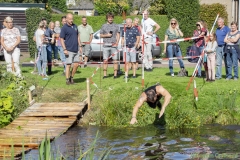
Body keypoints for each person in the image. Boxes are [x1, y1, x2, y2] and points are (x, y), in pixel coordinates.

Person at [60, 13, 80, 85]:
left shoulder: (75, 26)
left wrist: (80, 46)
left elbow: (78, 36)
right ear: (67, 19)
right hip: (69, 49)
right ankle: (67, 80)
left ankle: (71, 77)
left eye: (72, 19)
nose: (71, 20)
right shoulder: (64, 28)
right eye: (70, 19)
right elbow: (61, 39)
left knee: (76, 65)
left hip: (76, 49)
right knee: (68, 65)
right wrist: (64, 49)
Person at [100, 13, 120, 79]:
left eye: (111, 18)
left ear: (113, 18)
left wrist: (117, 42)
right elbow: (100, 35)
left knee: (115, 60)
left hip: (113, 45)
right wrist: (107, 35)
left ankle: (115, 75)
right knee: (105, 60)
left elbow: (118, 34)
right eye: (109, 18)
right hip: (105, 45)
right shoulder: (103, 26)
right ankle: (105, 75)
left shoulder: (116, 26)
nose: (110, 19)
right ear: (107, 18)